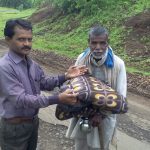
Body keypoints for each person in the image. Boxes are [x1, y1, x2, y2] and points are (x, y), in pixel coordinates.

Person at [0, 19, 88, 150]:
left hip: (33, 122)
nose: (27, 44)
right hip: (14, 128)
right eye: (21, 39)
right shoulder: (5, 67)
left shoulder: (31, 63)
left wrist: (65, 76)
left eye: (30, 39)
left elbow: (44, 83)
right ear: (7, 39)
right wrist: (57, 98)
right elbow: (20, 99)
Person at [66, 25, 127, 150]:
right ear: (88, 43)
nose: (98, 48)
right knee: (81, 145)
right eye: (94, 43)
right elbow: (74, 85)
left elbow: (121, 96)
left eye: (102, 43)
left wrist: (102, 115)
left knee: (100, 146)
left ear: (107, 43)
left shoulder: (118, 64)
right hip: (83, 114)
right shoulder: (81, 59)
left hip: (105, 117)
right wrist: (83, 111)